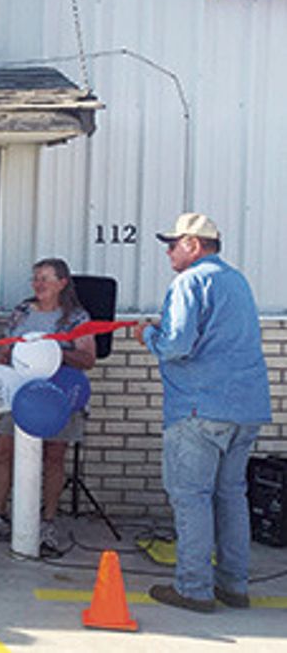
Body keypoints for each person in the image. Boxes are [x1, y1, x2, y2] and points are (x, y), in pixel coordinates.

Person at [134, 213, 271, 613]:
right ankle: (234, 585)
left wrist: (146, 333)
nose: (168, 251)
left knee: (191, 498)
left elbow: (176, 345)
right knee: (231, 496)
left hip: (199, 407)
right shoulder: (236, 280)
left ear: (193, 244)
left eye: (173, 243)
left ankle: (194, 589)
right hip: (245, 408)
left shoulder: (189, 281)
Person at [0, 258, 96, 555]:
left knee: (54, 456)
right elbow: (4, 351)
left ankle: (47, 522)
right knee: (3, 450)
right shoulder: (22, 312)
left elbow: (87, 359)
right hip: (18, 392)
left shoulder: (77, 318)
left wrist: (52, 353)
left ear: (62, 283)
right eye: (36, 278)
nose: (38, 284)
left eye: (45, 278)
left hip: (57, 395)